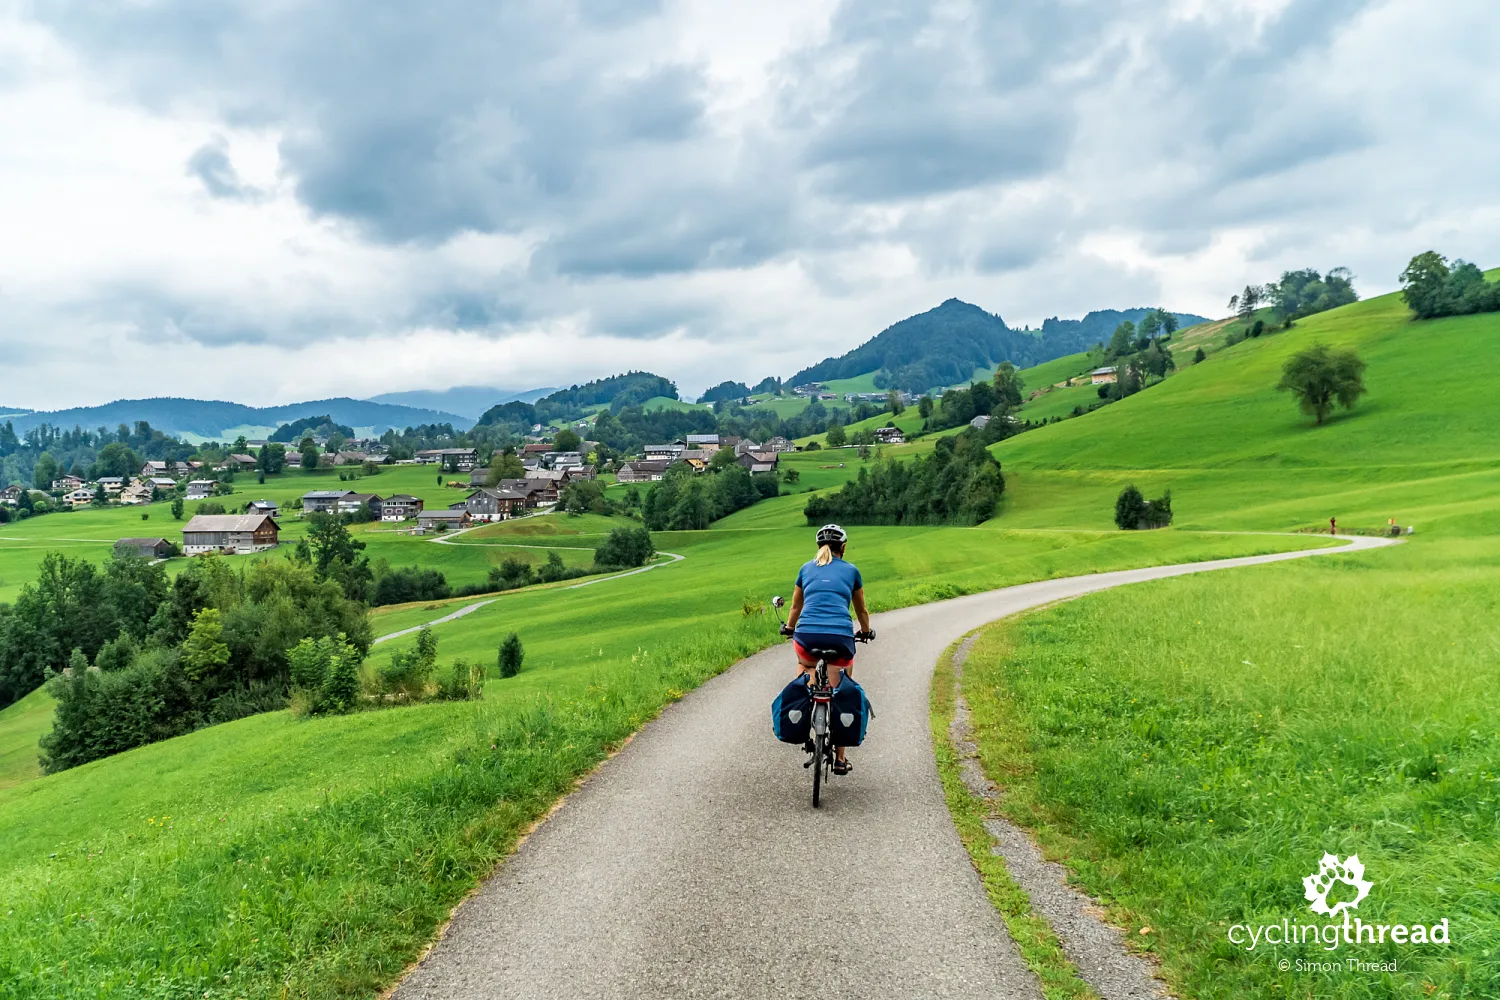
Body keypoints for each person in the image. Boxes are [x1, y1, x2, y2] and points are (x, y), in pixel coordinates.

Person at [780, 523, 873, 774]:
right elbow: (861, 610)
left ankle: (806, 705)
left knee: (805, 665)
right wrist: (865, 631)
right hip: (840, 638)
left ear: (819, 547)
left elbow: (795, 609)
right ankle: (841, 759)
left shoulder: (806, 568)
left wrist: (789, 628)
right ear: (843, 547)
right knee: (842, 689)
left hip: (807, 636)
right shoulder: (851, 571)